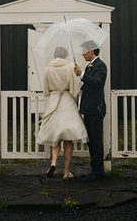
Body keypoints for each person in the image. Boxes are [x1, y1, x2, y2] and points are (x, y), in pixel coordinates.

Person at [36, 46, 88, 181]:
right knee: (68, 138)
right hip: (67, 101)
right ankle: (66, 172)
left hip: (54, 101)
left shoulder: (48, 69)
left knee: (55, 136)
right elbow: (74, 88)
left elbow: (46, 91)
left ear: (54, 56)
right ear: (66, 56)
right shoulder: (71, 67)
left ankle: (53, 162)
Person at [74, 40, 107, 182]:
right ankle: (94, 169)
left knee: (96, 140)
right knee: (91, 141)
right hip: (88, 108)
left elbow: (98, 83)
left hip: (95, 109)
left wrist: (82, 75)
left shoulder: (101, 66)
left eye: (84, 51)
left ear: (91, 51)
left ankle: (98, 171)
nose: (82, 54)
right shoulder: (90, 66)